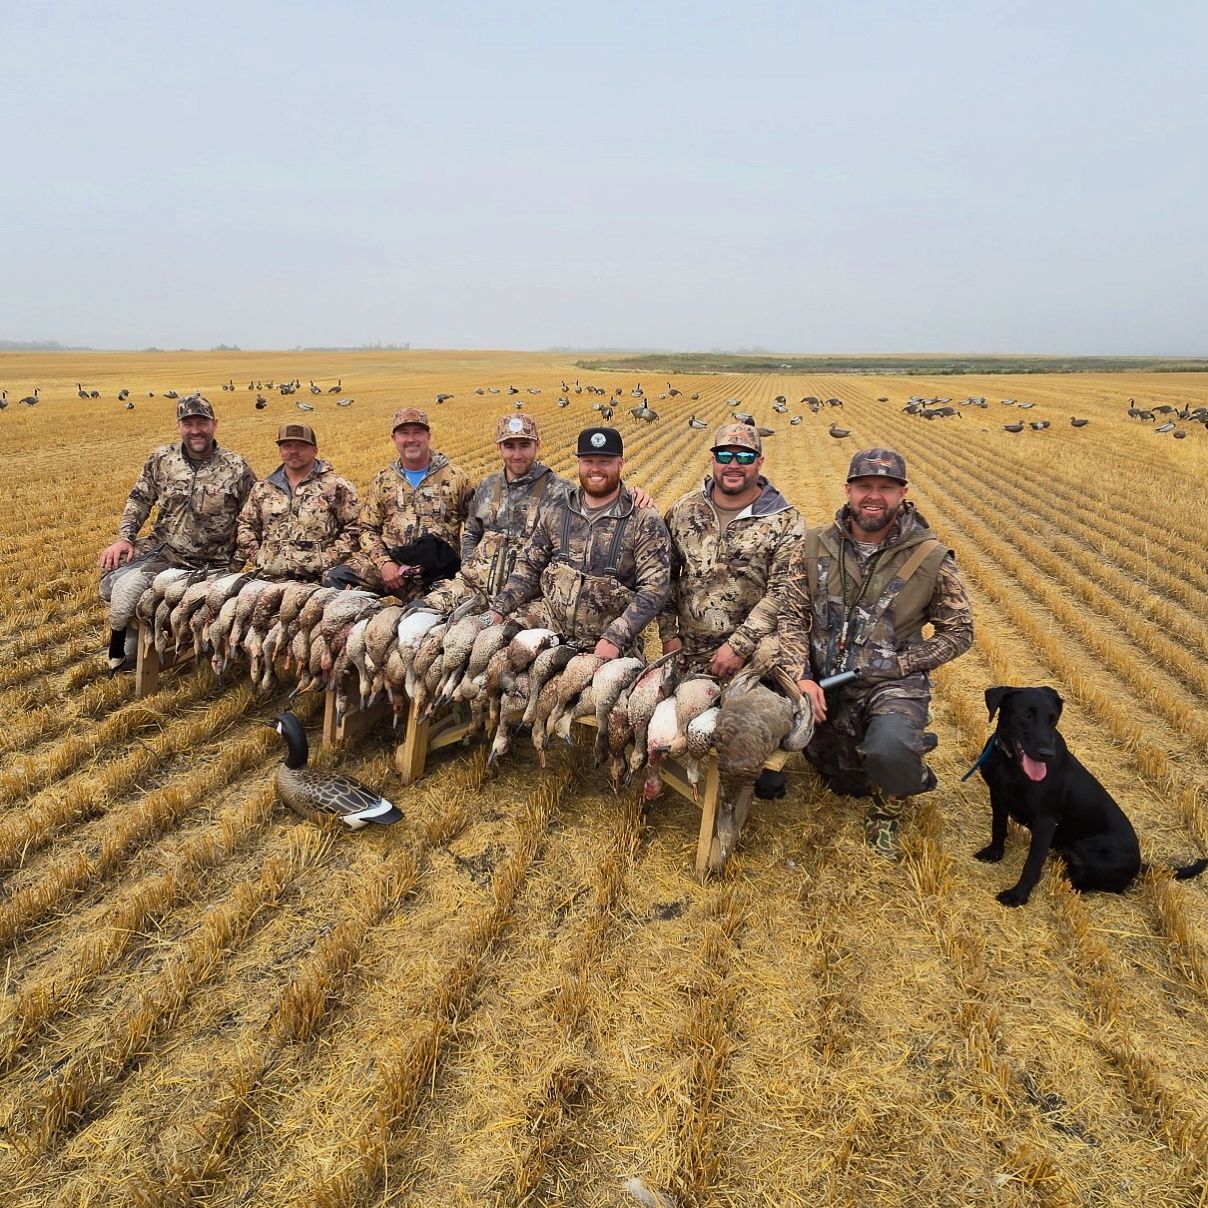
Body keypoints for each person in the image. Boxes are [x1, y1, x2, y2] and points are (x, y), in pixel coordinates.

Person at [778, 448, 973, 858]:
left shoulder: (930, 556)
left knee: (888, 752)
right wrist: (801, 677)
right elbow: (791, 617)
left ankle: (889, 801)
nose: (874, 496)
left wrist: (901, 664)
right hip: (825, 681)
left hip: (891, 683)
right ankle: (885, 751)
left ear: (902, 493)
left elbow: (959, 631)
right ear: (848, 489)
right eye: (865, 486)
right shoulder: (812, 545)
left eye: (886, 488)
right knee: (840, 778)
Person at [659, 422, 805, 798]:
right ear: (713, 460)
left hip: (754, 657)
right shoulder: (683, 510)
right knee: (665, 727)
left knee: (750, 753)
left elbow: (783, 592)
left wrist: (740, 646)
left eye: (745, 457)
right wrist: (668, 634)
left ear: (760, 462)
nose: (733, 464)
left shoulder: (785, 520)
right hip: (690, 652)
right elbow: (663, 579)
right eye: (725, 455)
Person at [424, 413, 658, 613]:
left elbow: (598, 488)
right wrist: (470, 567)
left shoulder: (561, 491)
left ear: (537, 445)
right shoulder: (487, 486)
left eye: (524, 445)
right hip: (475, 589)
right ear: (499, 448)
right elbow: (471, 534)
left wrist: (632, 494)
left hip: (528, 598)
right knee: (417, 621)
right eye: (509, 446)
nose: (517, 454)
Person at [98, 395, 256, 669]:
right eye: (188, 423)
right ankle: (132, 638)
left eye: (202, 423)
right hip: (166, 553)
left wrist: (237, 563)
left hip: (212, 563)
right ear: (179, 426)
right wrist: (125, 537)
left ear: (214, 424)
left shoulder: (236, 467)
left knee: (202, 604)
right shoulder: (162, 459)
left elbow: (252, 520)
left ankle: (187, 644)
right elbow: (139, 498)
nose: (195, 430)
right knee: (115, 572)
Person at [488, 426, 670, 658]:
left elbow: (655, 589)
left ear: (620, 464)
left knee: (598, 690)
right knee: (494, 649)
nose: (595, 469)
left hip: (605, 638)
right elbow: (528, 567)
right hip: (548, 621)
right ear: (579, 464)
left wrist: (616, 636)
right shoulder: (557, 510)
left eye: (605, 461)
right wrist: (498, 609)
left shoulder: (644, 519)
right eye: (588, 461)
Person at [339, 407, 474, 598]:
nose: (411, 439)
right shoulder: (383, 479)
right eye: (404, 433)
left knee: (433, 616)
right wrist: (384, 563)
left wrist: (463, 568)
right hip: (392, 568)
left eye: (417, 432)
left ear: (428, 436)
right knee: (335, 579)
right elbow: (367, 527)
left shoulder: (456, 477)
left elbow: (475, 529)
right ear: (394, 438)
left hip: (436, 573)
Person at [235, 422, 361, 581]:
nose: (293, 451)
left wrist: (327, 560)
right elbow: (246, 524)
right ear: (280, 451)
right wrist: (259, 557)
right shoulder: (262, 488)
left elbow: (355, 530)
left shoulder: (336, 487)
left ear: (315, 450)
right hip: (269, 580)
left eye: (301, 446)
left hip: (319, 583)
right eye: (287, 446)